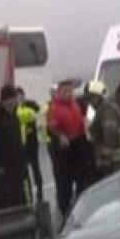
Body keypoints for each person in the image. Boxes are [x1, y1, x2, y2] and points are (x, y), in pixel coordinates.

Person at [47, 79, 92, 219]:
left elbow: (82, 119)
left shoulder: (76, 104)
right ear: (58, 93)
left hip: (78, 142)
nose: (68, 94)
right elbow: (52, 127)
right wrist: (60, 136)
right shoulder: (54, 108)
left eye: (70, 91)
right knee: (64, 182)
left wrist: (85, 125)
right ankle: (65, 211)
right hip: (65, 147)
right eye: (65, 91)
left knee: (82, 177)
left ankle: (81, 205)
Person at [0, 85, 28, 209]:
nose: (16, 101)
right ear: (6, 100)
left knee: (19, 197)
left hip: (16, 165)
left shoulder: (14, 116)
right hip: (3, 167)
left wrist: (23, 162)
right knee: (6, 199)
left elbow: (18, 141)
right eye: (13, 98)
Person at [86, 80, 120, 180]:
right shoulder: (105, 108)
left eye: (92, 97)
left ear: (99, 96)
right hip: (116, 158)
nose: (90, 101)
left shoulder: (107, 110)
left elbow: (110, 133)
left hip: (117, 159)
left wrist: (104, 154)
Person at [16, 88, 44, 202]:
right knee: (24, 170)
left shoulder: (30, 104)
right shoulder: (15, 109)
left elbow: (39, 113)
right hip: (21, 143)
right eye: (17, 96)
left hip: (32, 141)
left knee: (35, 166)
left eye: (20, 96)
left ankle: (40, 188)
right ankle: (28, 192)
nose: (19, 98)